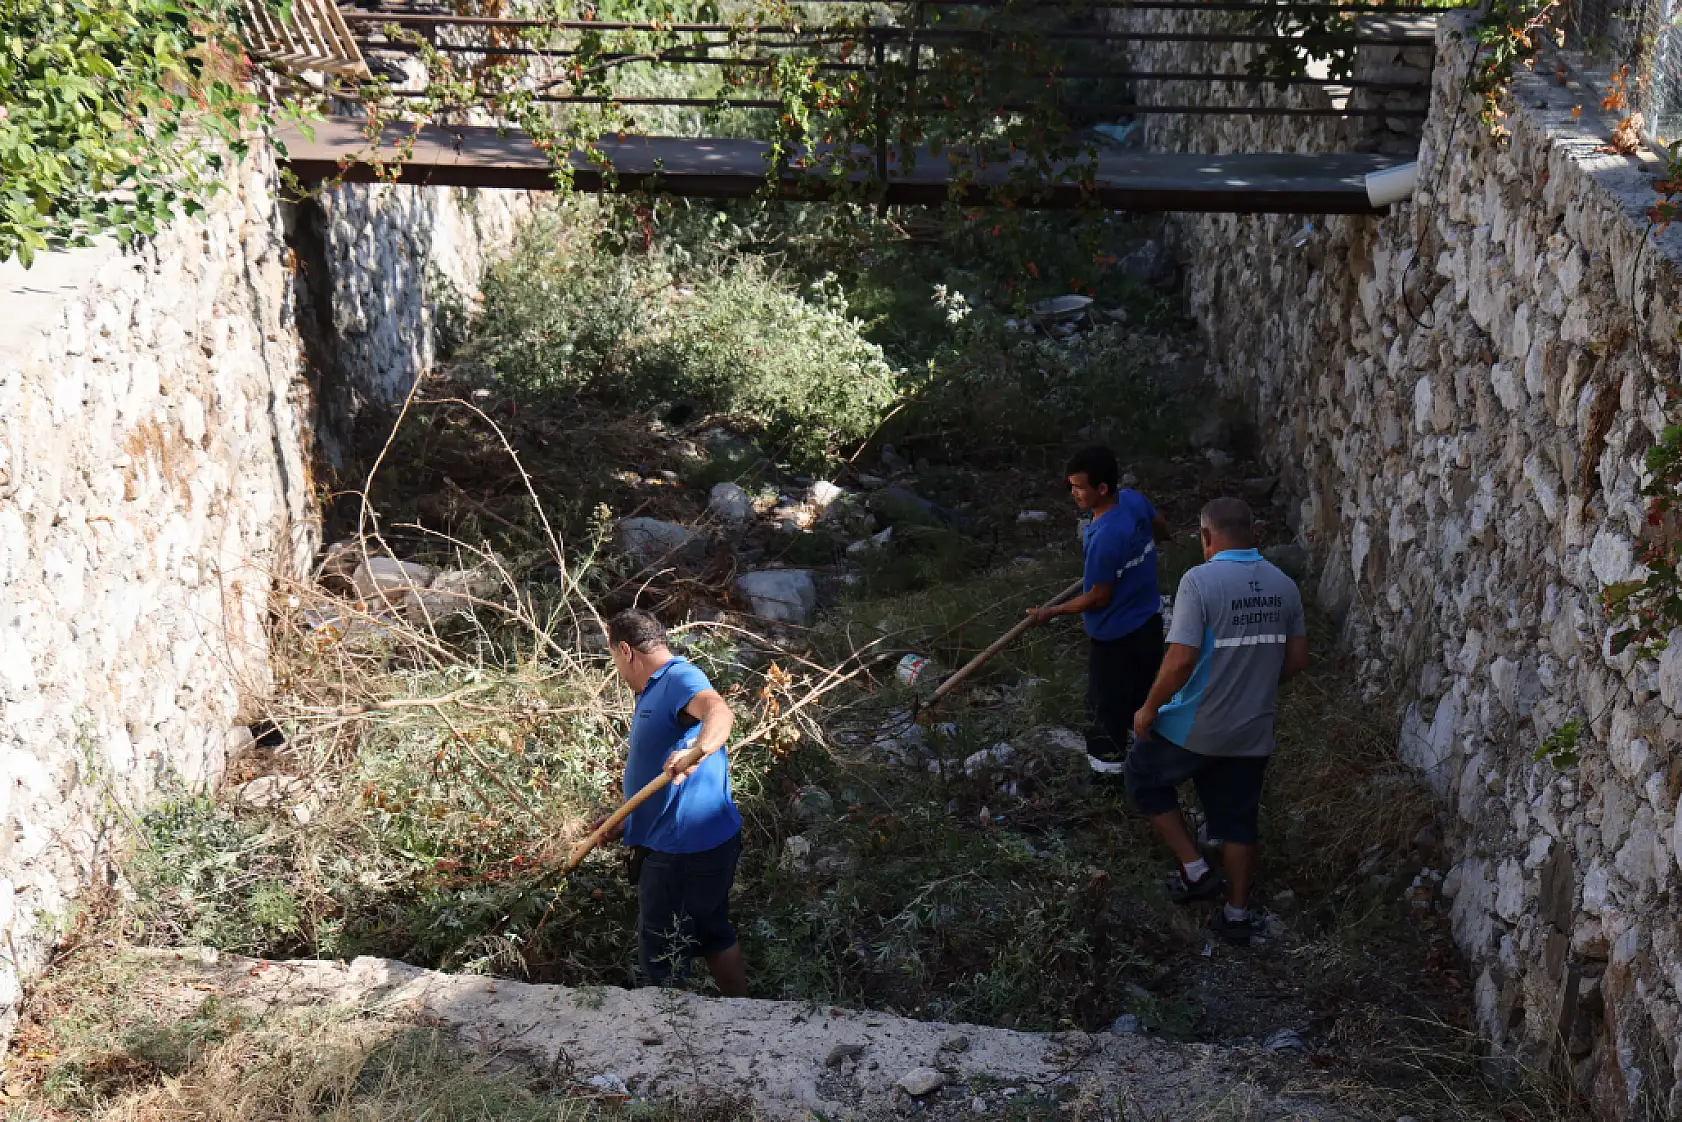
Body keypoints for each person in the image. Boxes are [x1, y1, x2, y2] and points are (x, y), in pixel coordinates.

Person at [1127, 497, 1309, 945]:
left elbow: (1180, 660)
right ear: (1254, 533)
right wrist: (1258, 685)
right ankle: (1237, 914)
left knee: (1141, 776)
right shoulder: (1285, 585)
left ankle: (1195, 870)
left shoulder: (1199, 582)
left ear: (1206, 537)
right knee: (1238, 821)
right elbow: (1298, 659)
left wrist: (1149, 707)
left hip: (1197, 727)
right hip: (1253, 730)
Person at [603, 608, 748, 994]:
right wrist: (627, 820)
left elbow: (719, 710)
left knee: (662, 951)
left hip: (680, 852)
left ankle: (669, 1034)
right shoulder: (653, 689)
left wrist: (698, 750)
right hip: (693, 841)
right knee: (713, 931)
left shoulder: (680, 678)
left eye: (614, 658)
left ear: (625, 650)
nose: (617, 668)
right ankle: (746, 1016)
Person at [1026, 445, 1171, 762]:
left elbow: (1097, 597)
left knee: (1104, 710)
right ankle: (1149, 758)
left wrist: (1051, 612)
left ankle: (1106, 774)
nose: (1073, 493)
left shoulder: (1104, 536)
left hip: (1116, 640)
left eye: (1079, 486)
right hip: (1149, 622)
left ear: (1102, 488)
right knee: (1143, 697)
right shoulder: (1132, 500)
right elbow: (1159, 524)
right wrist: (1142, 549)